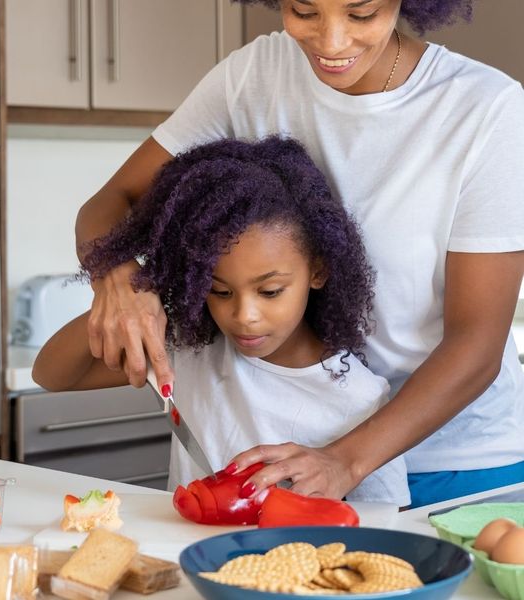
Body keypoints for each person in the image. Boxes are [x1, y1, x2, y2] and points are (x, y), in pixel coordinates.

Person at [74, 0, 524, 508]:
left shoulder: (486, 109)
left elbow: (477, 343)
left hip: (452, 462)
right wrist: (119, 282)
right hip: (308, 455)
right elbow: (109, 204)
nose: (331, 43)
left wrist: (346, 460)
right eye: (304, 11)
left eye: (362, 14)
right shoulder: (253, 75)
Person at [33, 136, 410, 506]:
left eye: (270, 291)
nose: (244, 316)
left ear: (318, 271)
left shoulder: (359, 401)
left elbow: (386, 526)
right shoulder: (190, 349)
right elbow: (51, 374)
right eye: (220, 291)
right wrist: (127, 302)